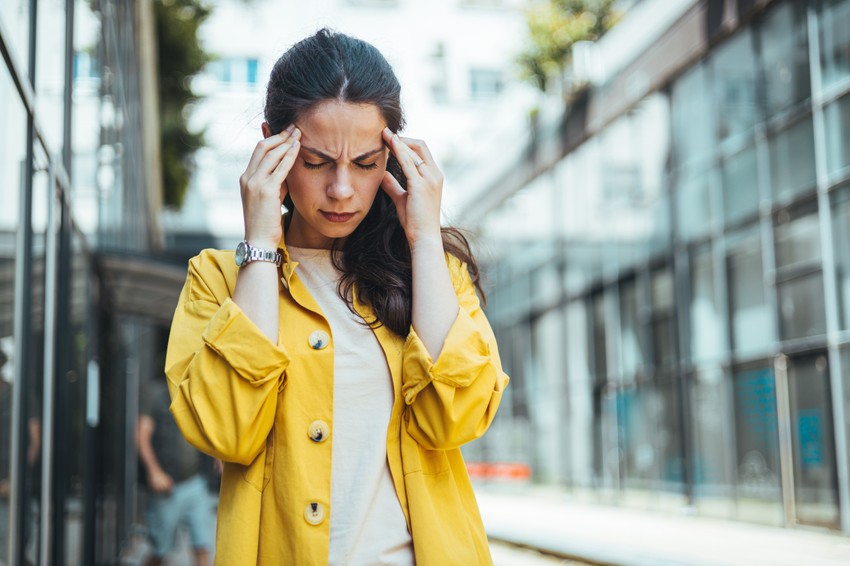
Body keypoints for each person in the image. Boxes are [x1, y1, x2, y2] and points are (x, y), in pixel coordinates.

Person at [165, 28, 509, 566]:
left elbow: (457, 419)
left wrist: (421, 240)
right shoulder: (216, 282)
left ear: (393, 153)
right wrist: (260, 246)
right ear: (272, 146)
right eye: (318, 161)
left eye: (367, 164)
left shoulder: (434, 277)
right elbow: (227, 432)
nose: (342, 190)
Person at [136, 373, 214, 566]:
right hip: (167, 487)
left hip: (196, 482)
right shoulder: (157, 394)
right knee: (160, 551)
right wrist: (154, 472)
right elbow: (141, 436)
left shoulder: (197, 393)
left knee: (202, 547)